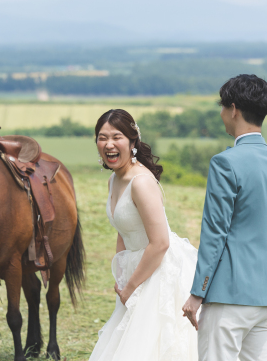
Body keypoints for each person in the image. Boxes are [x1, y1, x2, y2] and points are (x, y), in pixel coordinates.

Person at [182, 74, 267, 361]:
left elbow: (215, 233)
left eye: (222, 108)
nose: (221, 115)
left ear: (233, 109)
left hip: (228, 296)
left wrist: (197, 292)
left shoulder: (225, 162)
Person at [89, 109, 199, 361]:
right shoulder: (114, 181)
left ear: (132, 141)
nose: (108, 144)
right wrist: (121, 272)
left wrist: (130, 286)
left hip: (158, 270)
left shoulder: (140, 182)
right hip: (135, 270)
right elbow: (123, 230)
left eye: (116, 137)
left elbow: (160, 243)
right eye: (102, 138)